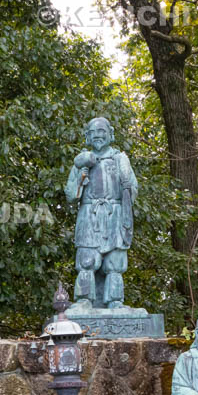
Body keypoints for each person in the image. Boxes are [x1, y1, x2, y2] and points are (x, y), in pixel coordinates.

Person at [64, 117, 138, 310]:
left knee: (115, 263)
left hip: (114, 216)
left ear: (111, 134)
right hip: (89, 215)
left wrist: (126, 187)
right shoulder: (82, 162)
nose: (98, 136)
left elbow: (133, 190)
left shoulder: (120, 159)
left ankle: (115, 301)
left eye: (102, 131)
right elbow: (70, 194)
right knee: (87, 260)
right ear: (87, 137)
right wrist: (81, 177)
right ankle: (84, 300)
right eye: (93, 133)